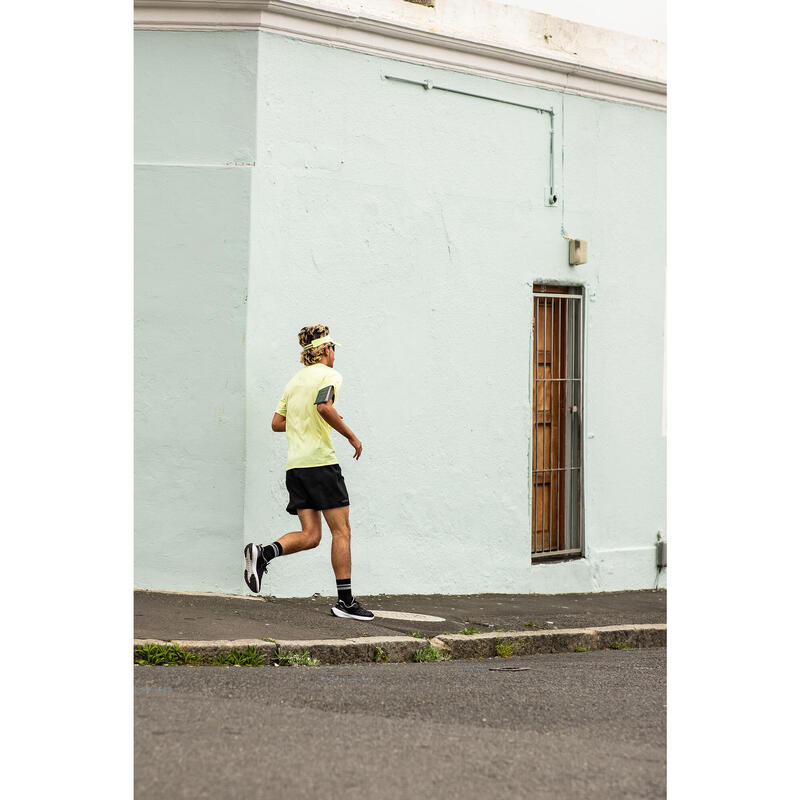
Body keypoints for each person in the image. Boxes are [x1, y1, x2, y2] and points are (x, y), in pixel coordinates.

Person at [244, 324, 374, 621]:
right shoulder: (329, 375)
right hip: (321, 464)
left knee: (311, 535)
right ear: (326, 350)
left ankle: (263, 554)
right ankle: (346, 602)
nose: (334, 354)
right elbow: (323, 406)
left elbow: (277, 423)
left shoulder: (294, 382)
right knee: (341, 532)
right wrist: (351, 436)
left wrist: (307, 420)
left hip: (297, 468)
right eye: (333, 350)